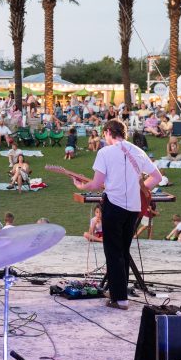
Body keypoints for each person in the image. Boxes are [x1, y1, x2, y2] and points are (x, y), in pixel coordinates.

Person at [73, 119, 162, 310]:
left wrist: (81, 186)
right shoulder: (138, 151)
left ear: (107, 132)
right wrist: (138, 190)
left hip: (114, 205)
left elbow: (96, 184)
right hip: (133, 208)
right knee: (123, 250)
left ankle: (119, 298)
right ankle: (119, 292)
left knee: (113, 252)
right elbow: (157, 177)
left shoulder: (105, 152)